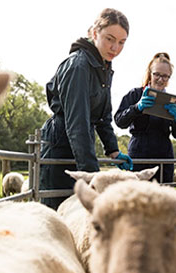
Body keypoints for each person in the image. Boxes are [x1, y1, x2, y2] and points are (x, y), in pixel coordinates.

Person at [39, 8, 133, 210]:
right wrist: (92, 176)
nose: (115, 47)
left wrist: (113, 150)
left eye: (122, 42)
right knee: (60, 214)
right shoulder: (79, 66)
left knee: (79, 213)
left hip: (80, 144)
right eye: (110, 39)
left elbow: (103, 115)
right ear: (94, 33)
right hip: (62, 146)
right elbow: (77, 124)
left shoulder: (103, 67)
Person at [114, 53, 176, 183]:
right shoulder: (135, 94)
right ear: (150, 73)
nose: (160, 79)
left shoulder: (171, 101)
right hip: (139, 154)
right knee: (137, 198)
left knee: (163, 198)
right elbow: (119, 121)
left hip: (163, 157)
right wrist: (136, 108)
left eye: (165, 76)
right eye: (157, 74)